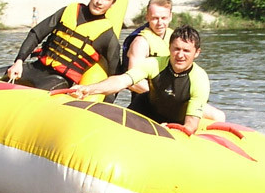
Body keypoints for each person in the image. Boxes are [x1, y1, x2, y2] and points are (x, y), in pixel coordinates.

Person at [72, 25, 219, 135]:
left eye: (186, 50)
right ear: (169, 48)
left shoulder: (200, 79)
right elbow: (122, 81)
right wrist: (89, 89)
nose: (180, 55)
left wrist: (172, 130)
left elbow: (190, 125)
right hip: (146, 110)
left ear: (197, 53)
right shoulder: (154, 64)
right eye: (176, 49)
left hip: (175, 121)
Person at [6, 0, 123, 91]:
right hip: (34, 68)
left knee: (32, 95)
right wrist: (19, 61)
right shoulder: (68, 10)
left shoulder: (107, 36)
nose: (99, 2)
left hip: (59, 80)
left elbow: (116, 77)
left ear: (112, 4)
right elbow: (36, 34)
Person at [122, 0, 226, 122]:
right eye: (155, 18)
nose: (160, 23)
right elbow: (134, 83)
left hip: (177, 99)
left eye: (164, 18)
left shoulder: (175, 38)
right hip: (151, 102)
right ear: (147, 17)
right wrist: (165, 96)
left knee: (219, 116)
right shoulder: (140, 42)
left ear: (170, 17)